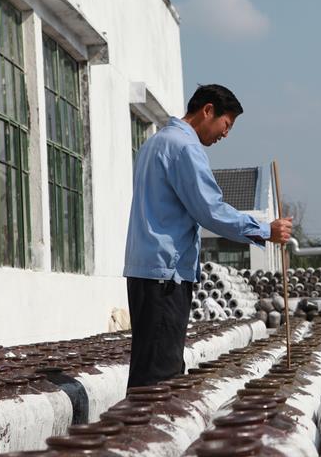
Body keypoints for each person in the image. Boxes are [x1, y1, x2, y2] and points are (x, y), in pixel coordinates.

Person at [123, 84, 293, 387]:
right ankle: (149, 432)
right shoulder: (185, 148)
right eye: (226, 125)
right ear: (208, 110)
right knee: (159, 380)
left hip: (145, 271)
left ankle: (138, 429)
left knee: (147, 368)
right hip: (166, 275)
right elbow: (210, 210)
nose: (225, 135)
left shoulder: (155, 142)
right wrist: (265, 230)